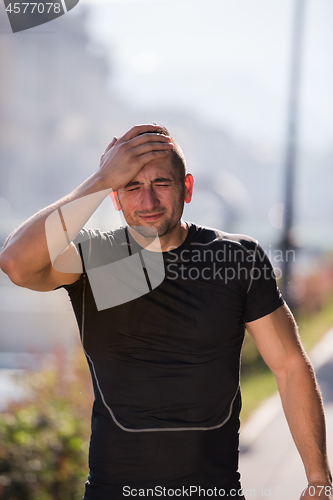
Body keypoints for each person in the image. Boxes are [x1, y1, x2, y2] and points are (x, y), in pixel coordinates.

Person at [0, 124, 332, 500]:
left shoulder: (234, 257)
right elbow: (16, 263)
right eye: (131, 186)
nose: (148, 201)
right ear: (115, 198)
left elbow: (289, 366)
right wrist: (101, 178)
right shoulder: (97, 259)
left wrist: (319, 477)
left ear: (187, 188)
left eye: (161, 183)